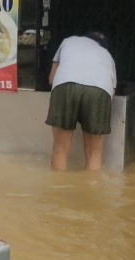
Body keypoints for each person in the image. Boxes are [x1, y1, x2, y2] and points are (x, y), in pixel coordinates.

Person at [46, 31, 117, 171]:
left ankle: (57, 190)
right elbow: (112, 92)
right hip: (99, 90)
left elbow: (51, 79)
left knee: (60, 149)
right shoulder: (107, 56)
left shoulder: (69, 41)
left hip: (66, 84)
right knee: (94, 153)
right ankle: (91, 191)